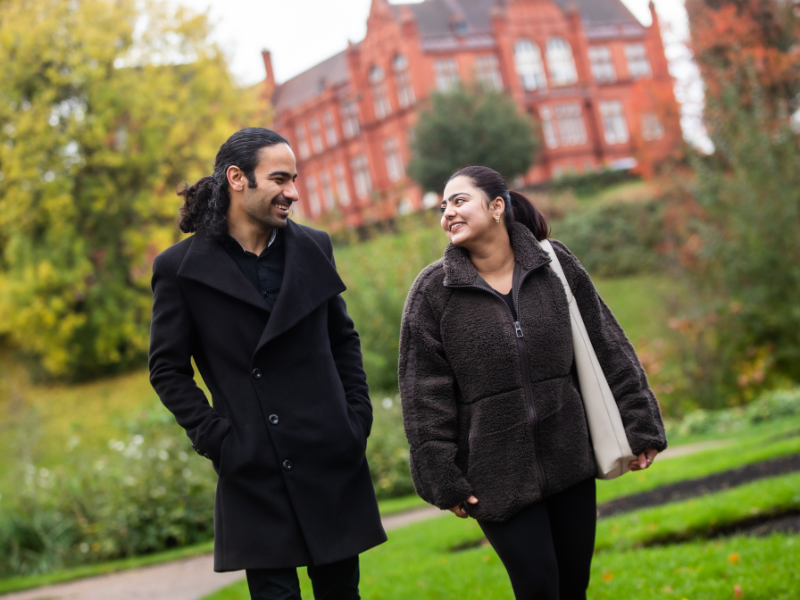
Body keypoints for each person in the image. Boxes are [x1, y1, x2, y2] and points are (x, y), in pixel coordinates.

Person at [398, 166, 667, 600]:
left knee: (572, 586)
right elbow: (422, 391)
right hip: (493, 472)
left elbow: (607, 343)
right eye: (443, 205)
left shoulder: (554, 265)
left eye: (459, 200)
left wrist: (640, 422)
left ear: (497, 206)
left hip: (568, 457)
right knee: (539, 585)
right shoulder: (434, 291)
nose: (447, 212)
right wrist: (440, 473)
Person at [148, 127, 385, 600]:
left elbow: (343, 339)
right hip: (252, 464)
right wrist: (218, 439)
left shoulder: (314, 246)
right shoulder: (180, 269)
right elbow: (167, 369)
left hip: (328, 454)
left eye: (294, 179)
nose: (292, 192)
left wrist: (354, 418)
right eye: (279, 179)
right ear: (237, 179)